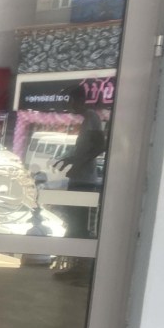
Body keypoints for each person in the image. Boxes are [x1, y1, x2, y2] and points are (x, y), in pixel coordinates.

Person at [53, 85, 105, 239]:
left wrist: (78, 164)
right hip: (79, 177)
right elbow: (87, 149)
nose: (69, 104)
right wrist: (70, 160)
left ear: (80, 100)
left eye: (71, 100)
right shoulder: (87, 119)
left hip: (84, 180)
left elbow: (100, 146)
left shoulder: (92, 117)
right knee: (73, 220)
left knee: (77, 222)